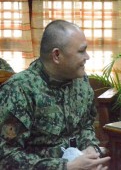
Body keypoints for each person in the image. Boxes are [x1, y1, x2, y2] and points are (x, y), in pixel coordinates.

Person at [0, 20, 110, 169]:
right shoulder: (19, 91)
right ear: (57, 55)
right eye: (81, 51)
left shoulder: (81, 82)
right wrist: (65, 167)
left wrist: (91, 149)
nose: (87, 57)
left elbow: (86, 126)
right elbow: (6, 156)